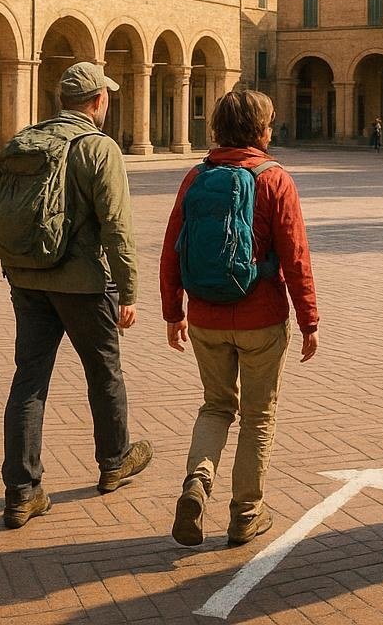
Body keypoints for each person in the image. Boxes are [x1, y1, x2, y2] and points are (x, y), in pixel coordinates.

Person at [0, 62, 152, 529]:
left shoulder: (29, 139)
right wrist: (128, 291)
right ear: (98, 100)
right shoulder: (98, 148)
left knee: (29, 380)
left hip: (26, 277)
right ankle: (114, 461)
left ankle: (22, 492)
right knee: (104, 372)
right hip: (82, 283)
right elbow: (118, 228)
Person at [161, 90, 320, 547]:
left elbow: (172, 248)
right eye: (269, 123)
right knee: (257, 417)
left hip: (206, 316)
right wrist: (309, 319)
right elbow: (295, 257)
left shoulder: (196, 176)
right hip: (262, 317)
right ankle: (246, 513)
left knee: (215, 405)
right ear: (260, 131)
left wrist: (174, 311)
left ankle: (197, 479)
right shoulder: (275, 179)